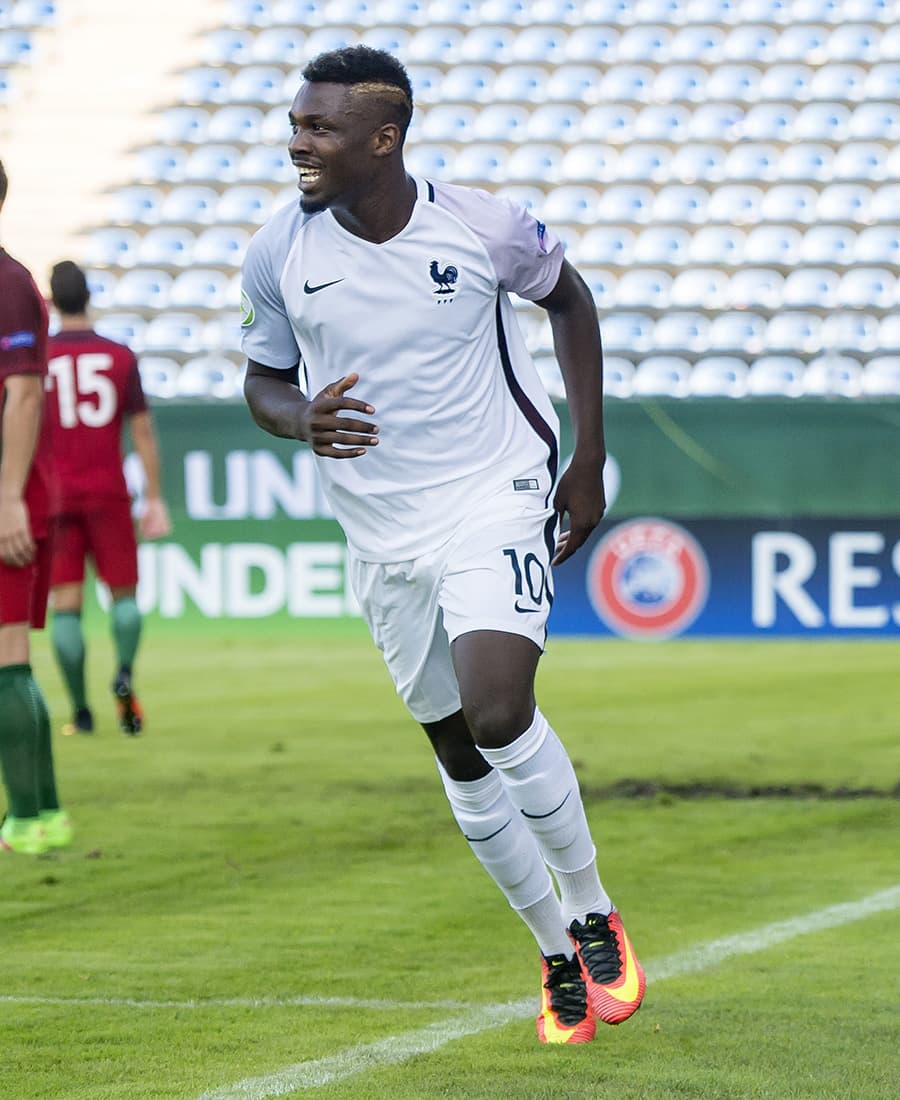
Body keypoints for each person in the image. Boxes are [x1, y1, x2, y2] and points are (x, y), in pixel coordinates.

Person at [241, 47, 645, 1045]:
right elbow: (261, 380)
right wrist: (299, 418)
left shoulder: (479, 225)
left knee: (501, 708)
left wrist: (587, 457)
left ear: (382, 140)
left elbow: (571, 301)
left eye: (319, 126)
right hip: (382, 533)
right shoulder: (276, 251)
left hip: (492, 491)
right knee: (457, 746)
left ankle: (593, 908)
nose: (298, 140)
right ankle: (552, 948)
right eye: (296, 122)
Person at [44, 260, 171, 736]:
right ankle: (124, 674)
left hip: (55, 494)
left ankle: (79, 711)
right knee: (123, 595)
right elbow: (142, 431)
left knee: (66, 605)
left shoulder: (40, 357)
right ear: (89, 296)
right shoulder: (119, 356)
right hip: (109, 491)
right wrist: (154, 497)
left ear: (53, 301)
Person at [0, 159, 72, 854]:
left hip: (9, 498)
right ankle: (39, 812)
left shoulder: (9, 282)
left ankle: (26, 820)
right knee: (9, 660)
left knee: (6, 657)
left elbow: (23, 393)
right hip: (16, 492)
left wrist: (7, 499)